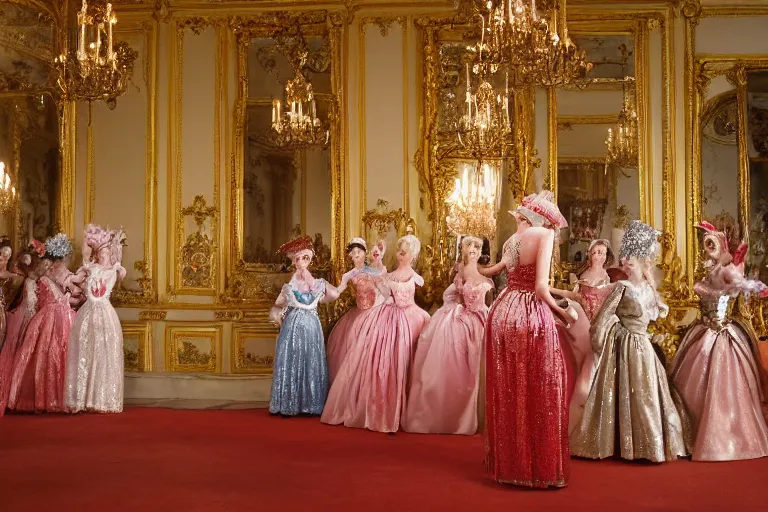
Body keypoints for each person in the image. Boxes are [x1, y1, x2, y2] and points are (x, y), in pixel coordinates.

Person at [570, 220, 690, 462]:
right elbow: (604, 316)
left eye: (630, 261)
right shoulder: (620, 287)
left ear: (641, 263)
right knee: (621, 391)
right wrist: (603, 337)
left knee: (645, 392)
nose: (626, 264)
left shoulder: (648, 289)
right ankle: (620, 442)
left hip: (642, 345)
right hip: (623, 344)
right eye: (625, 261)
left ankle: (649, 444)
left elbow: (655, 315)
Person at [481, 191, 572, 488]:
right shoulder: (543, 236)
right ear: (544, 219)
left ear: (522, 217)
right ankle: (536, 468)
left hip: (503, 312)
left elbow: (504, 274)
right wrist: (564, 314)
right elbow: (541, 288)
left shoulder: (511, 241)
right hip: (530, 315)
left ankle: (511, 464)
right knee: (542, 384)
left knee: (509, 387)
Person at [669, 221, 768, 461]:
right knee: (690, 381)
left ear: (722, 245)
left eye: (712, 244)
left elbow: (740, 285)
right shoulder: (713, 269)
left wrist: (755, 287)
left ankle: (723, 438)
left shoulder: (726, 270)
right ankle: (691, 431)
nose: (708, 249)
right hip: (704, 328)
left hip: (722, 331)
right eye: (706, 245)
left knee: (724, 384)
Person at [321, 235, 429, 433]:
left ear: (413, 255)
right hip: (387, 317)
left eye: (404, 251)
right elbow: (384, 292)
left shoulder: (414, 277)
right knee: (383, 360)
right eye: (399, 251)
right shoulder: (380, 276)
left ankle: (411, 407)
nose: (400, 254)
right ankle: (383, 408)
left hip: (412, 317)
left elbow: (384, 286)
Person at [403, 235, 492, 435]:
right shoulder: (461, 268)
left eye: (477, 247)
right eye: (470, 246)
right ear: (463, 249)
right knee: (449, 363)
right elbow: (457, 294)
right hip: (459, 317)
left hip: (478, 317)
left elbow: (484, 296)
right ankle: (447, 415)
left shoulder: (482, 269)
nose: (474, 249)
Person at [269, 236, 340, 416]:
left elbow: (333, 295)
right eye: (298, 258)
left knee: (311, 359)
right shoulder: (289, 286)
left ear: (309, 259)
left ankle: (311, 402)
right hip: (294, 326)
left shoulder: (317, 284)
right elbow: (278, 304)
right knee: (292, 360)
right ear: (294, 261)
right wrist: (280, 314)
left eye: (304, 258)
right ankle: (290, 402)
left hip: (310, 326)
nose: (301, 262)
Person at [8, 234, 77, 413]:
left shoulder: (53, 280)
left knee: (59, 355)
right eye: (44, 264)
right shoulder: (37, 282)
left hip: (60, 318)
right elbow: (32, 304)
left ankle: (58, 397)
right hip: (47, 319)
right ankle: (44, 398)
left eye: (49, 265)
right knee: (45, 356)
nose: (46, 267)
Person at [64, 225, 127, 413]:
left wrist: (116, 244)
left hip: (106, 314)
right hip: (88, 314)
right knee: (85, 353)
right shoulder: (90, 268)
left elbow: (121, 271)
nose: (104, 255)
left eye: (107, 251)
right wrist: (88, 239)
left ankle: (102, 398)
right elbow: (77, 274)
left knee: (104, 354)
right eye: (101, 252)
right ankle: (81, 398)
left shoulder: (116, 269)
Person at [325, 238, 386, 384]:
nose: (356, 255)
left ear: (365, 253)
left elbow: (383, 287)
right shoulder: (349, 275)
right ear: (350, 256)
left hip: (375, 312)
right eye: (353, 253)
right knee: (353, 345)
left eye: (359, 252)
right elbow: (338, 291)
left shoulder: (373, 270)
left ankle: (371, 378)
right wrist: (324, 289)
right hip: (359, 312)